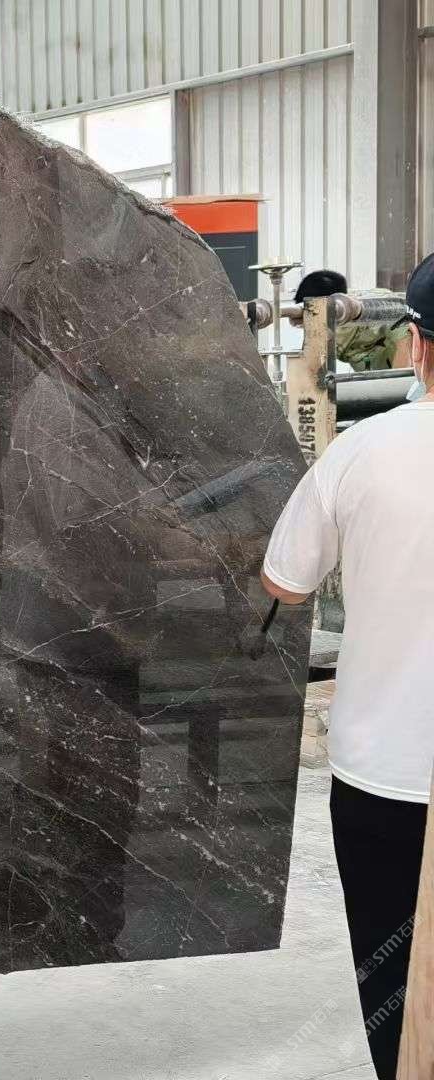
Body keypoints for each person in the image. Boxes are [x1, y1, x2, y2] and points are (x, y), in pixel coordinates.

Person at [262, 252, 434, 1079]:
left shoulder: (362, 452)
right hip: (385, 775)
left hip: (387, 778)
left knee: (393, 988)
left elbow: (284, 584)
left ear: (415, 347)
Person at [290, 268, 411, 372]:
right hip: (370, 375)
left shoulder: (376, 305)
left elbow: (407, 335)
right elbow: (312, 371)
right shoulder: (319, 320)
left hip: (404, 368)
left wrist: (397, 386)